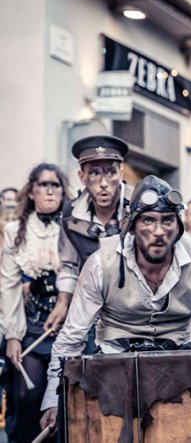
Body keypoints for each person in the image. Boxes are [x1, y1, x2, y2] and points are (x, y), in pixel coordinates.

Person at [38, 176, 191, 440]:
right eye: (148, 220)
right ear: (131, 226)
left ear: (179, 226)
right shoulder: (99, 264)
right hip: (113, 369)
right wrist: (52, 400)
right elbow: (71, 339)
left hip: (178, 369)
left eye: (167, 220)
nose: (159, 231)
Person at [0, 164, 71, 443]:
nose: (50, 191)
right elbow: (8, 286)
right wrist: (13, 336)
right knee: (28, 396)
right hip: (32, 324)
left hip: (71, 325)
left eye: (55, 185)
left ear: (63, 191)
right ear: (31, 191)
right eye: (43, 184)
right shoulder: (15, 230)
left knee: (67, 402)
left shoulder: (74, 226)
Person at [48, 136, 132, 333]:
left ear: (121, 173)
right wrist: (63, 303)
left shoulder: (140, 206)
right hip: (91, 310)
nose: (103, 183)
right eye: (94, 173)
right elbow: (69, 265)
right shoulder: (71, 213)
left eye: (110, 172)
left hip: (135, 311)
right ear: (82, 177)